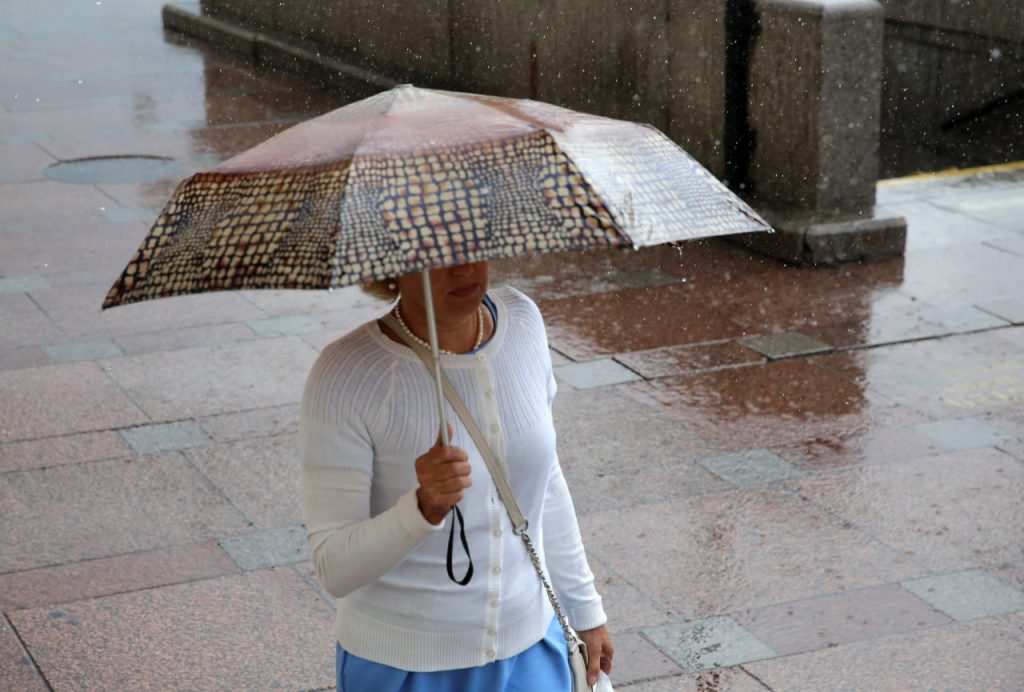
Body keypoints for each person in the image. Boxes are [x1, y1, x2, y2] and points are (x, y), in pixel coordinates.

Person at [300, 260, 613, 691]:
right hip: (405, 667)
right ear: (390, 263)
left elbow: (545, 482)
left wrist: (585, 610)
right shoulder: (346, 374)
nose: (461, 269)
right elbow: (333, 568)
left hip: (533, 647)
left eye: (470, 245)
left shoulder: (522, 320)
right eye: (433, 256)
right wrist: (422, 508)